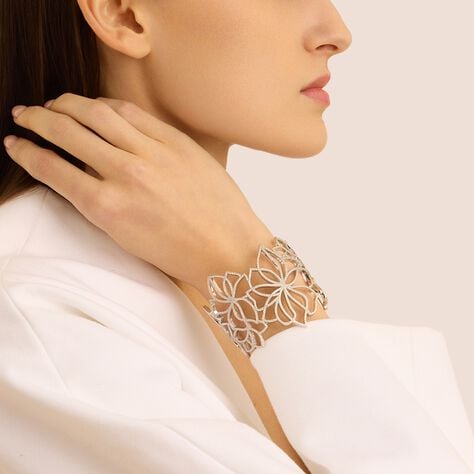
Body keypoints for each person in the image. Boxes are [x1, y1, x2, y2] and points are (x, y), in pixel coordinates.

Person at [0, 1, 473, 473]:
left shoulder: (204, 269)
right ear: (122, 14)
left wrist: (244, 266)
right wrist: (253, 269)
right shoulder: (38, 322)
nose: (337, 33)